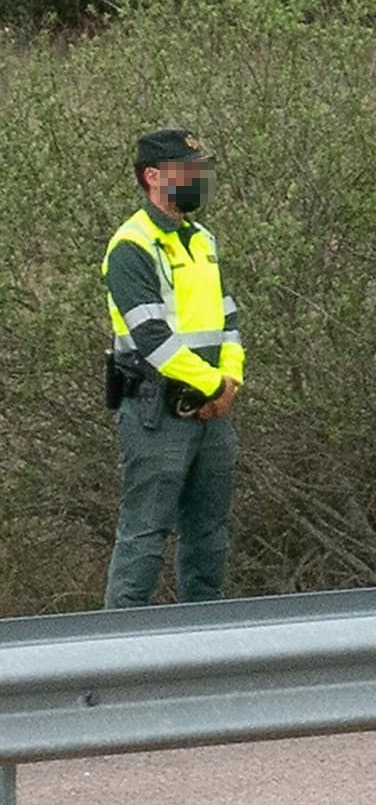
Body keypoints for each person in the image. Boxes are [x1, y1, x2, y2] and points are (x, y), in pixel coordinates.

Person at [102, 128, 243, 608]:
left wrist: (230, 381)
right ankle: (117, 653)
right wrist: (213, 386)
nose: (200, 179)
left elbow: (229, 318)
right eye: (190, 171)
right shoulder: (131, 246)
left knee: (210, 536)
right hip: (155, 412)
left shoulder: (202, 239)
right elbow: (152, 341)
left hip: (211, 412)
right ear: (154, 177)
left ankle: (201, 647)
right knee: (144, 535)